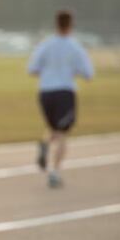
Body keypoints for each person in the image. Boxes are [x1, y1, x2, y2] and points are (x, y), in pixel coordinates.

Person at [27, 10, 94, 189]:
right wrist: (70, 71)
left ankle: (45, 144)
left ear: (56, 24)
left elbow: (32, 69)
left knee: (53, 129)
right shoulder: (75, 47)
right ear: (71, 25)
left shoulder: (45, 45)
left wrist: (49, 72)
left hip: (45, 92)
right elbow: (88, 74)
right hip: (64, 91)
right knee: (63, 133)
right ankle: (55, 172)